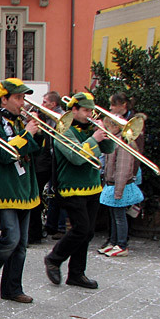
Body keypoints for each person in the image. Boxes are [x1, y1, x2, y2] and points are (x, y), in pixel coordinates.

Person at [0, 78, 40, 303]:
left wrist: (34, 132)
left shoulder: (20, 123)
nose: (22, 103)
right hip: (4, 188)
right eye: (18, 98)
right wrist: (28, 135)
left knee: (21, 243)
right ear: (4, 99)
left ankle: (12, 288)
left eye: (24, 98)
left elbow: (33, 151)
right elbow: (5, 154)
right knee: (11, 237)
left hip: (24, 189)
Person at [43, 92, 115, 289]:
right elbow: (76, 158)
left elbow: (109, 149)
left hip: (92, 186)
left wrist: (105, 132)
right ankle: (54, 258)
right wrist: (94, 139)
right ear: (73, 110)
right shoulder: (64, 129)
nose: (90, 114)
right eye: (85, 110)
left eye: (91, 110)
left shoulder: (91, 128)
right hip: (71, 188)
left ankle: (76, 273)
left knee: (88, 232)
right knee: (81, 229)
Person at [98, 93, 144, 258]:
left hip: (118, 185)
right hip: (112, 184)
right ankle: (113, 242)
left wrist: (118, 190)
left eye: (108, 127)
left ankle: (121, 244)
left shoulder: (122, 143)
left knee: (119, 217)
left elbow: (123, 169)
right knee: (113, 215)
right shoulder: (114, 140)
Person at [29, 90, 61, 244]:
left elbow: (48, 141)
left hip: (44, 163)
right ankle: (38, 230)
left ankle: (35, 232)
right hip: (44, 162)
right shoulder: (45, 117)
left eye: (45, 102)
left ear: (53, 104)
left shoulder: (56, 118)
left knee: (35, 197)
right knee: (37, 196)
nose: (42, 105)